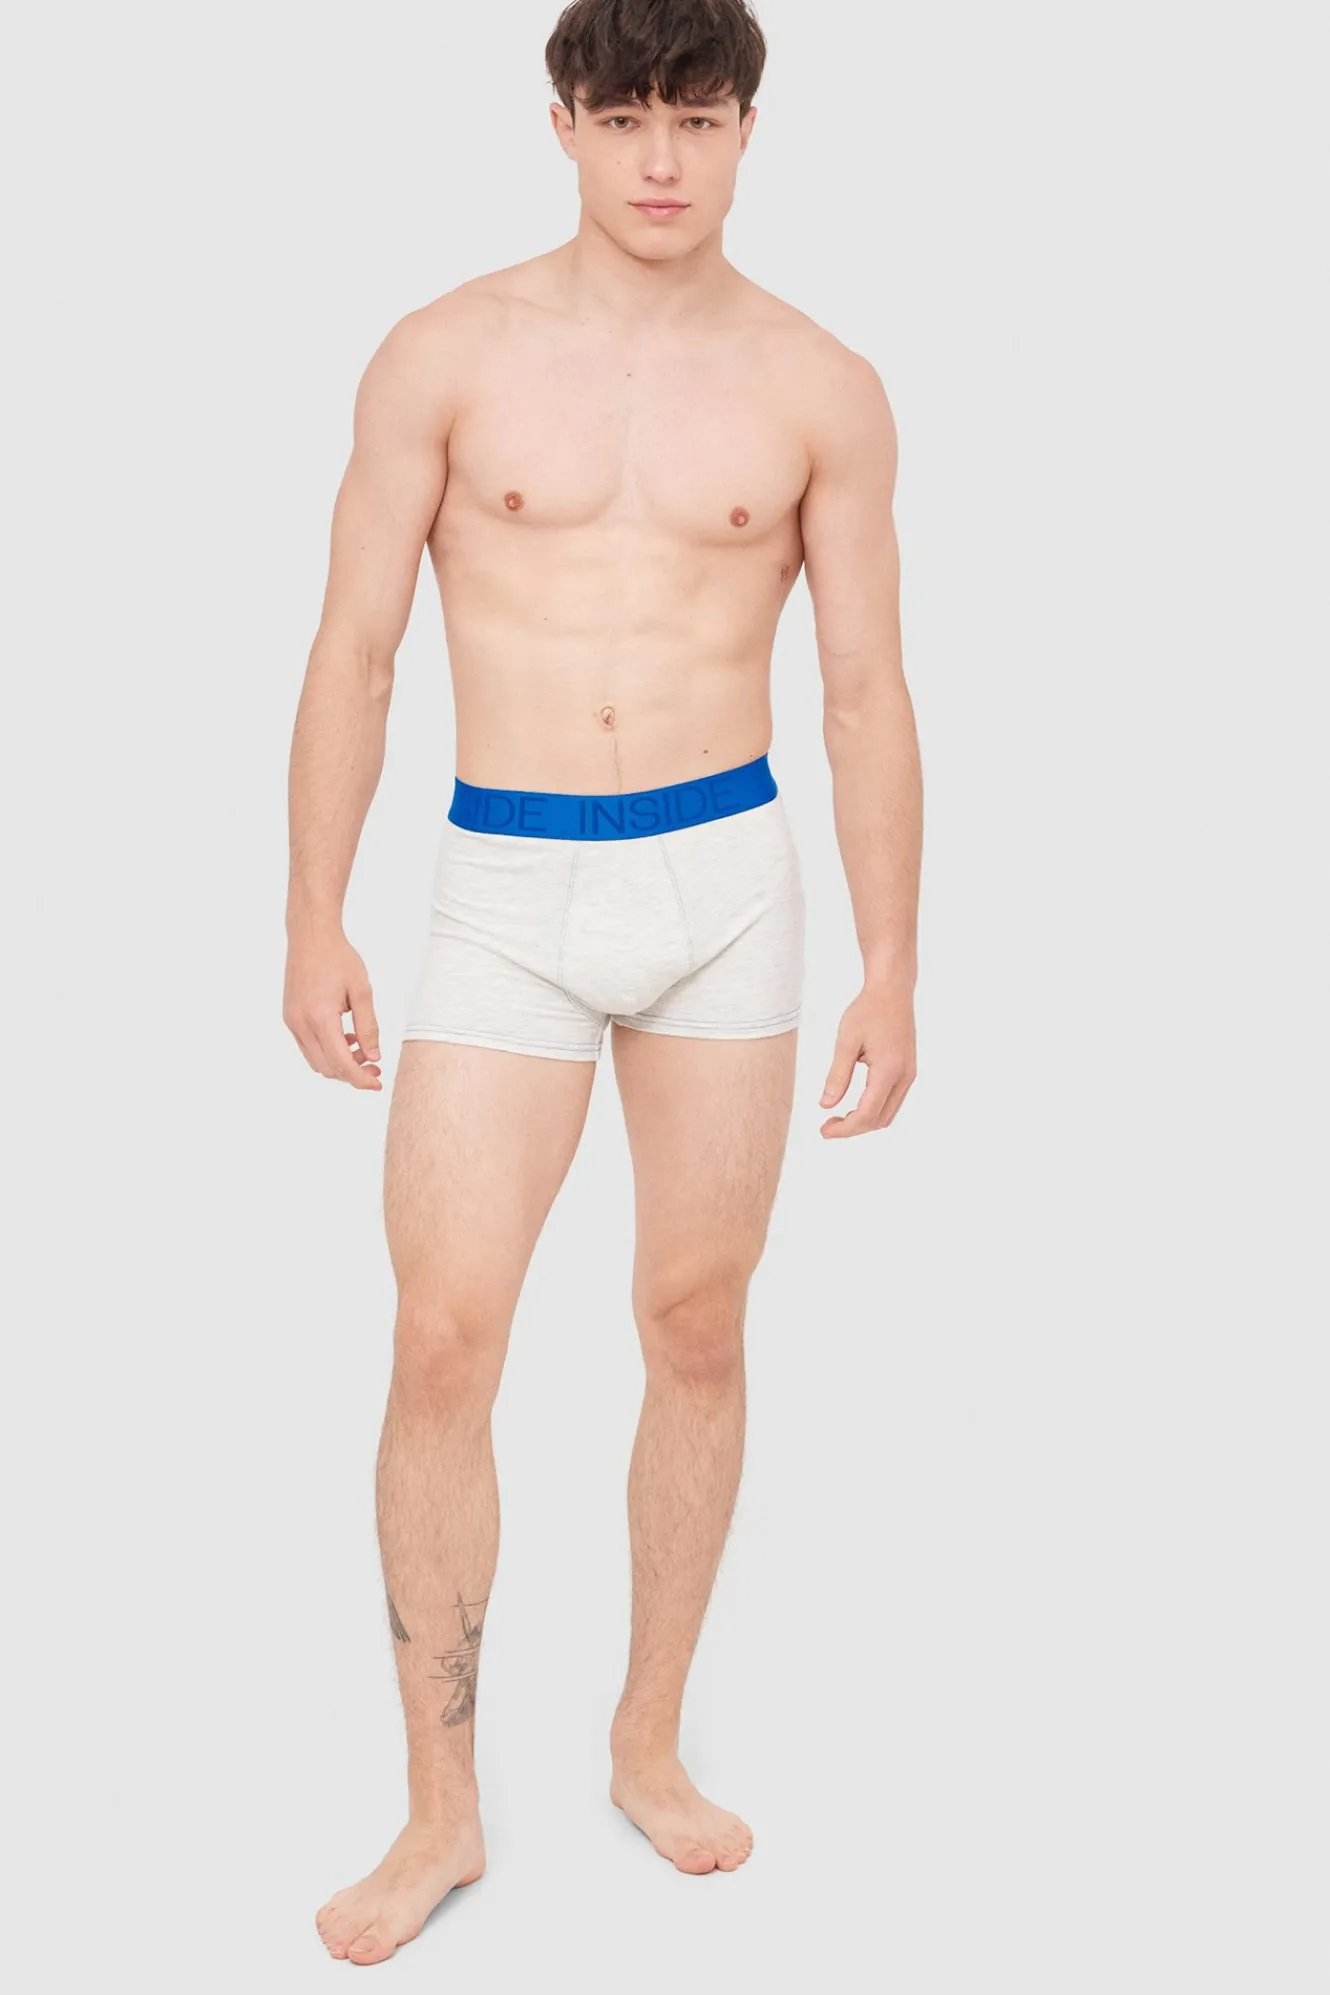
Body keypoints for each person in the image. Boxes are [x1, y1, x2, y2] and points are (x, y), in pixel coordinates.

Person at [284, 0, 921, 1966]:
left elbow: (862, 688)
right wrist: (311, 914)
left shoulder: (818, 383)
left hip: (724, 883)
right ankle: (440, 1805)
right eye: (627, 117)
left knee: (694, 1323)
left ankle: (647, 1742)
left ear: (746, 134)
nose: (661, 160)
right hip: (503, 885)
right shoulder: (443, 354)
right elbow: (355, 648)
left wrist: (894, 958)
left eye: (698, 121)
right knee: (440, 1337)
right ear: (561, 124)